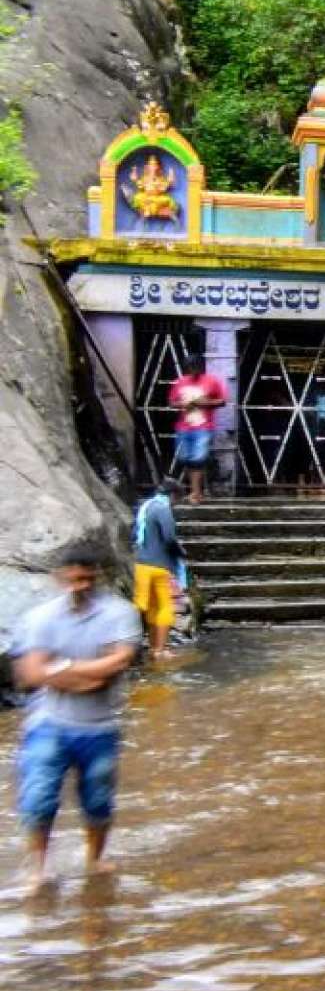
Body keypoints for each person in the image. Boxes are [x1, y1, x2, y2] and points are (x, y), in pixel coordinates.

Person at [9, 544, 142, 888]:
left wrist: (60, 669)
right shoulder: (41, 618)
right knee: (38, 798)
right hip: (48, 723)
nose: (79, 585)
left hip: (100, 726)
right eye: (73, 578)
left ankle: (95, 860)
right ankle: (39, 868)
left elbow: (116, 665)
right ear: (60, 577)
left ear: (97, 576)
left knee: (98, 802)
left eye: (86, 578)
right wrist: (84, 674)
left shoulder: (120, 613)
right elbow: (31, 674)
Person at [131, 480, 188, 660]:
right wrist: (180, 553)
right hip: (159, 566)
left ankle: (149, 647)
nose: (176, 503)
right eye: (177, 499)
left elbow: (136, 535)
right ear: (173, 495)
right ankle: (160, 649)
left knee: (145, 606)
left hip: (141, 564)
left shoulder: (146, 507)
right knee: (165, 607)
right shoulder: (163, 509)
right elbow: (170, 537)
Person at [168, 354, 227, 504]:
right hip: (183, 426)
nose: (191, 371)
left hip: (203, 427)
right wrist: (182, 404)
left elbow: (222, 401)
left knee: (197, 459)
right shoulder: (180, 382)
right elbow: (171, 402)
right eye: (188, 368)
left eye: (194, 367)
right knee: (184, 458)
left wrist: (205, 402)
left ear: (200, 367)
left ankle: (196, 493)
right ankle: (193, 491)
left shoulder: (212, 381)